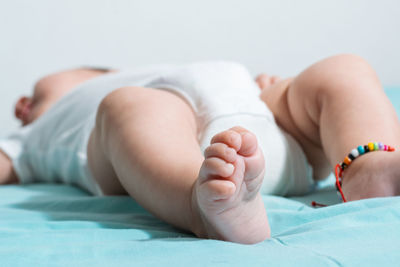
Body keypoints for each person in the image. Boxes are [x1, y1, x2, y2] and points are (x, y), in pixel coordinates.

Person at [0, 55, 399, 244]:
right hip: (171, 148)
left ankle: (369, 168)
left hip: (259, 114)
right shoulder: (28, 138)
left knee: (339, 70)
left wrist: (282, 93)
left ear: (94, 73)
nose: (21, 106)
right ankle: (202, 204)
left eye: (34, 92)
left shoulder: (149, 69)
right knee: (127, 106)